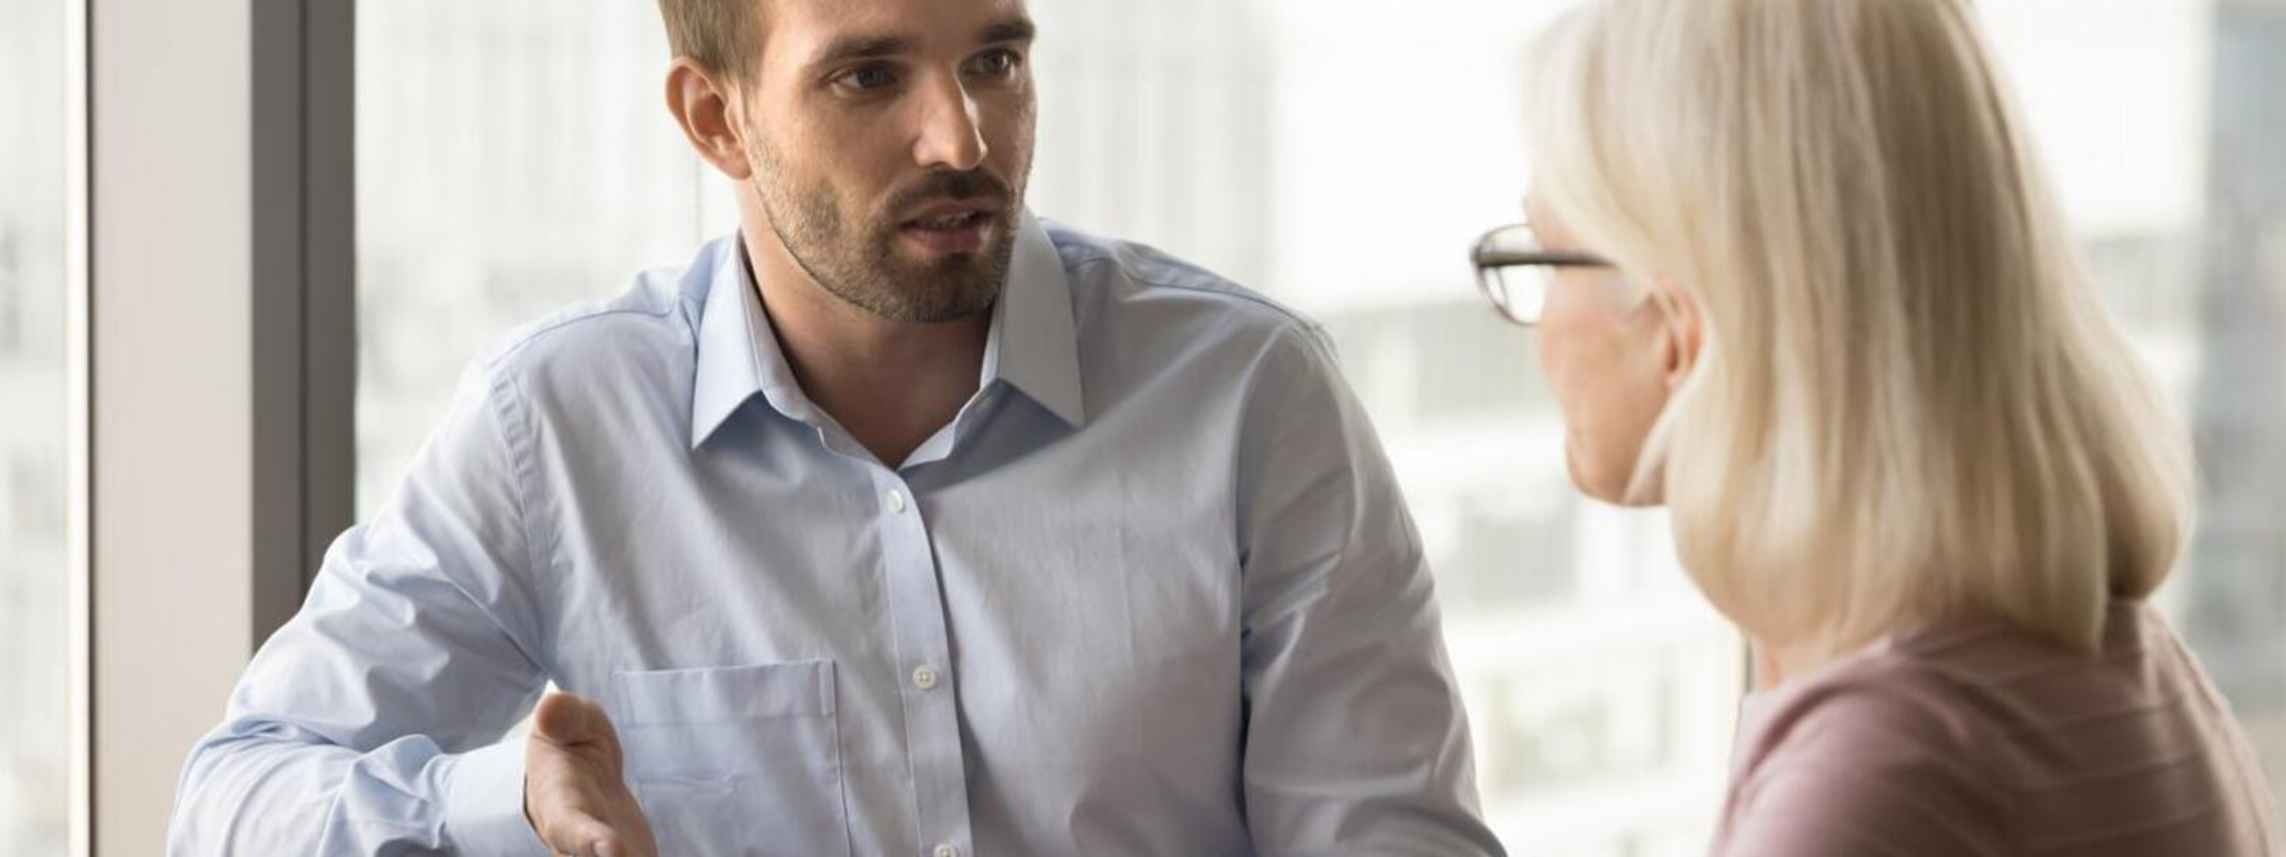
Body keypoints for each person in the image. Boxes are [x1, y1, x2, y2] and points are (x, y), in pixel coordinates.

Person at [165, 0, 1503, 854]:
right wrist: (503, 802)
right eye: (868, 76)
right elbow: (235, 798)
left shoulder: (1252, 399)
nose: (960, 138)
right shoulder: (555, 428)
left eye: (994, 59)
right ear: (717, 119)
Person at [1473, 0, 2284, 853]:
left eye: (1546, 255)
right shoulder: (2125, 666)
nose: (1539, 322)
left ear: (1679, 329)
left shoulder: (1881, 778)